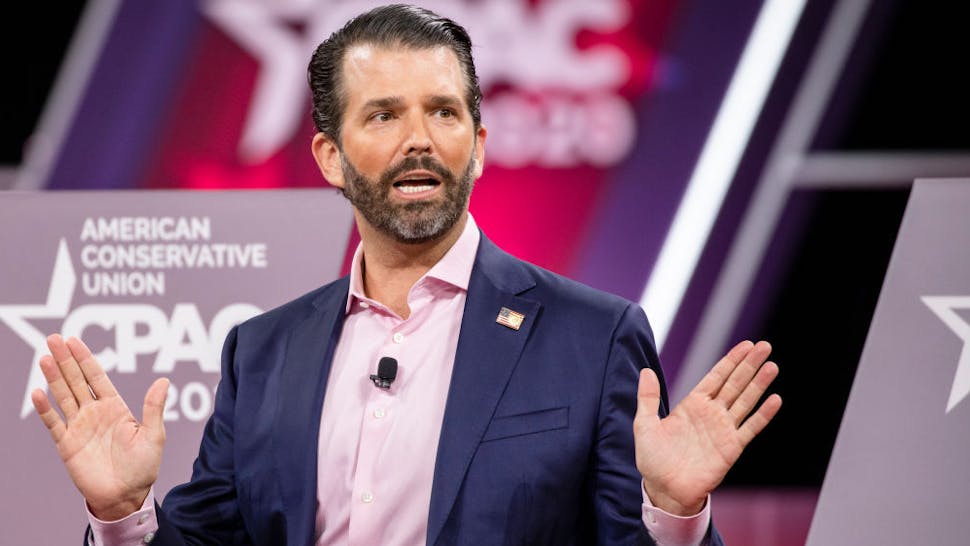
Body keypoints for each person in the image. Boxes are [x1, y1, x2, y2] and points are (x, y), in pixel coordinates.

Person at [31, 4, 781, 545]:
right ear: (331, 156)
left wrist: (675, 514)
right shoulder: (262, 352)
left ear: (479, 145)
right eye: (384, 115)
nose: (420, 140)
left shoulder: (593, 335)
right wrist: (123, 513)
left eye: (444, 113)